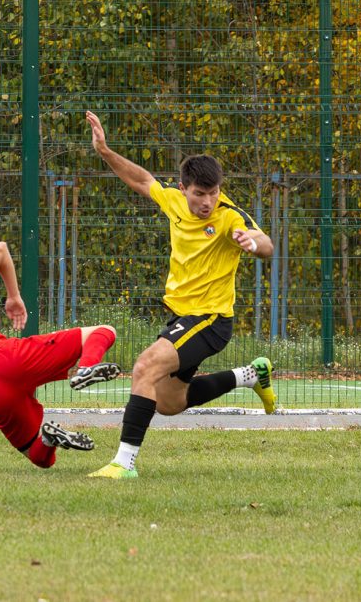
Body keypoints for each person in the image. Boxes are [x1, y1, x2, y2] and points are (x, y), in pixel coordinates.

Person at [84, 111, 277, 480]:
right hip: (181, 317)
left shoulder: (229, 216)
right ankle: (251, 374)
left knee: (144, 366)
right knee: (169, 402)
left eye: (214, 192)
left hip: (210, 320)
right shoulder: (173, 201)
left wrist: (253, 242)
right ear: (184, 188)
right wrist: (105, 151)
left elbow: (266, 244)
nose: (208, 201)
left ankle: (123, 464)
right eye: (200, 193)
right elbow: (142, 180)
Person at [0, 240, 120, 468]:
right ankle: (86, 368)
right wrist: (13, 296)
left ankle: (48, 438)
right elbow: (0, 249)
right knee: (105, 332)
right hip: (7, 358)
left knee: (39, 456)